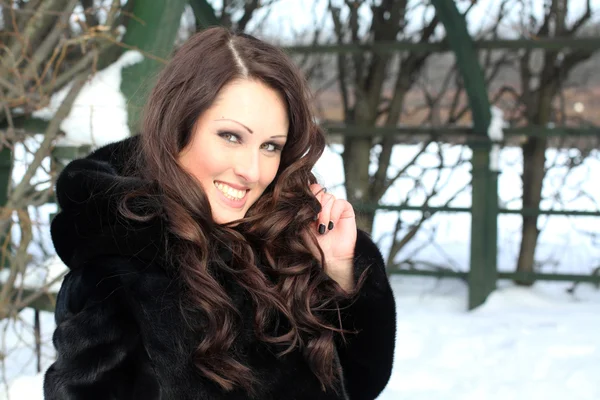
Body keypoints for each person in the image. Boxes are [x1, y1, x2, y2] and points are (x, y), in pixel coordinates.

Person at [44, 27, 396, 400]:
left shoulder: (287, 243)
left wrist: (340, 274)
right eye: (231, 136)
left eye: (270, 146)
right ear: (179, 128)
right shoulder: (121, 271)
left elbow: (358, 385)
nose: (253, 170)